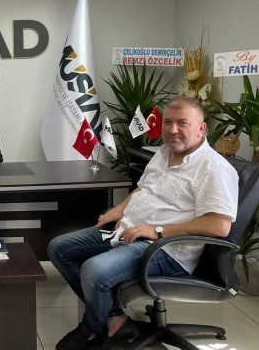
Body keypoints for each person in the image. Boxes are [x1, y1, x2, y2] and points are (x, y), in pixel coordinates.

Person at [47, 97, 239, 350]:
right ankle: (115, 318)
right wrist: (119, 209)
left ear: (201, 128)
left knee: (95, 271)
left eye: (183, 123)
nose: (173, 130)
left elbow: (219, 226)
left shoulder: (213, 168)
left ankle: (92, 329)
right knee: (60, 248)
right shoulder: (164, 151)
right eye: (168, 122)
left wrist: (157, 231)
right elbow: (143, 189)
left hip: (166, 249)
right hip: (128, 230)